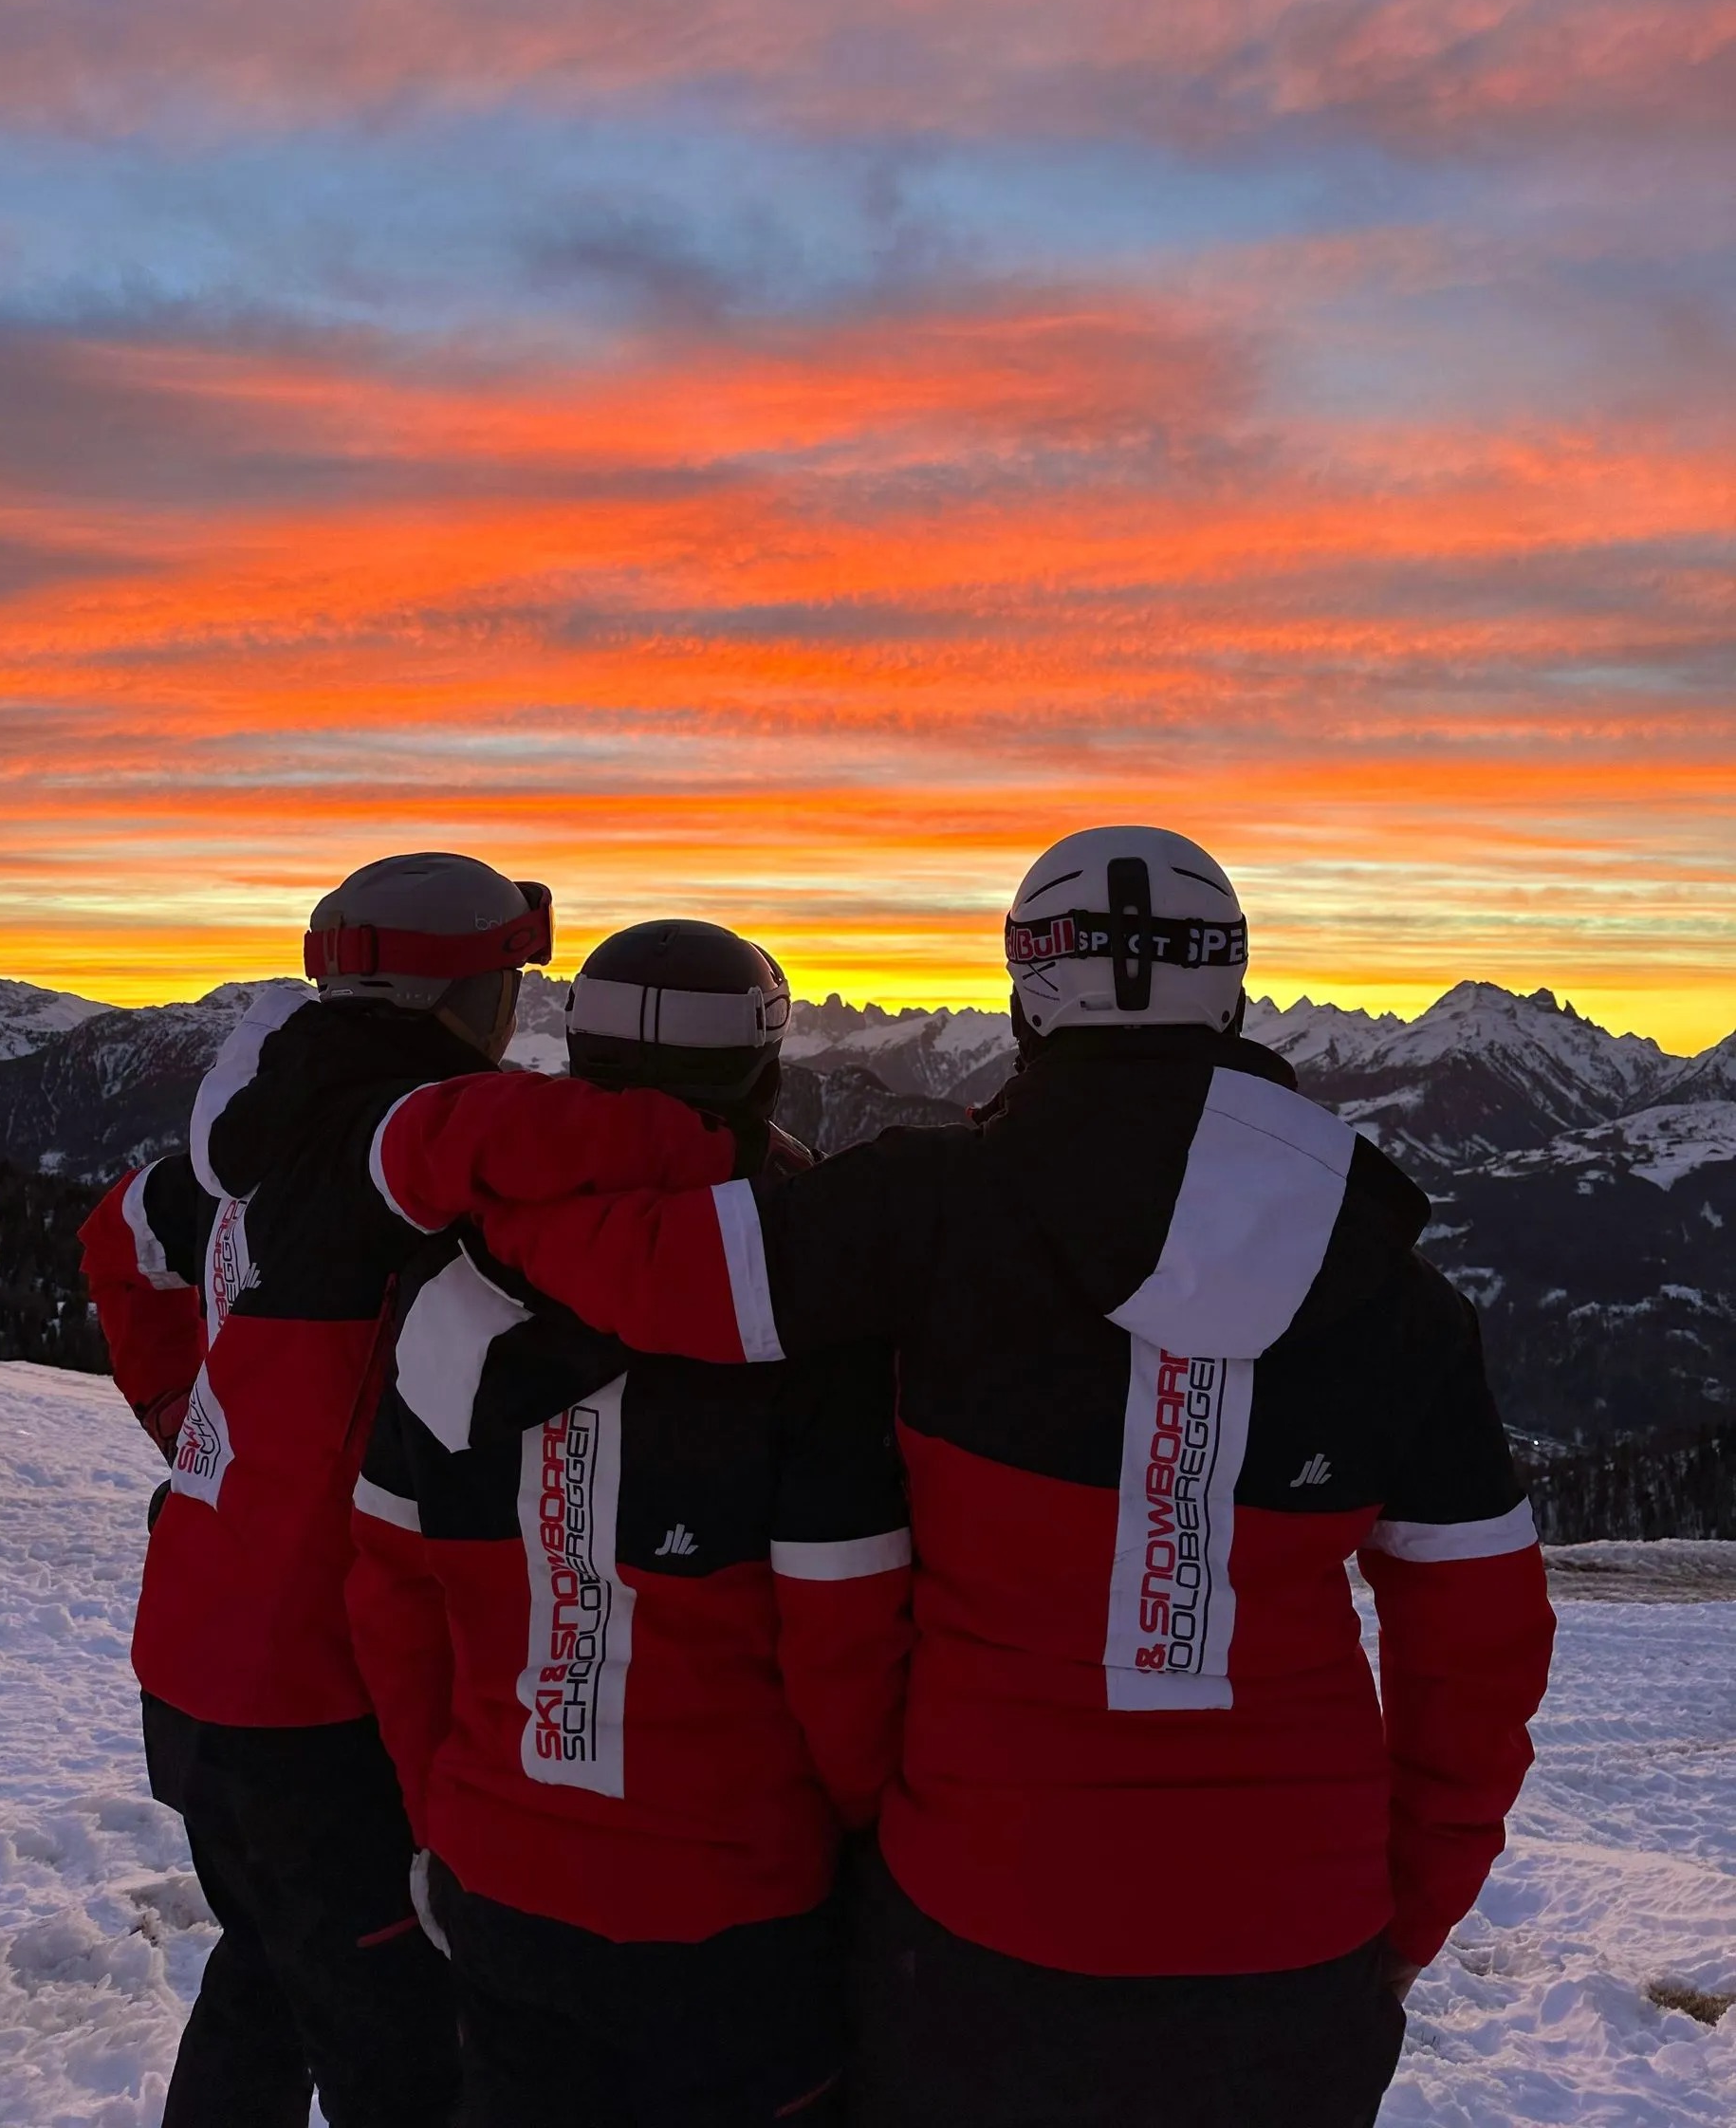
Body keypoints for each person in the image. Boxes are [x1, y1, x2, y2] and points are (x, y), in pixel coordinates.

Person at [455, 827, 1558, 2128]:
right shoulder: (1390, 1282)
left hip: (980, 1911)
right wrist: (1410, 1904)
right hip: (1290, 1936)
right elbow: (1480, 1647)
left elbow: (663, 1273)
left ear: (1027, 990)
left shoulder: (929, 1209)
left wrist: (485, 1197)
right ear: (1234, 987)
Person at [76, 853, 748, 2128]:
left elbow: (114, 1239)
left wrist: (187, 1417)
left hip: (198, 1662)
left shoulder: (247, 1138)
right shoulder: (383, 1119)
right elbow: (484, 1131)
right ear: (475, 988)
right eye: (513, 981)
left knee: (271, 1974)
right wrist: (724, 1140)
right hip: (315, 1688)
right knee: (404, 2051)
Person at [348, 920, 913, 2128]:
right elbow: (845, 1649)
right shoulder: (801, 1314)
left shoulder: (445, 1284)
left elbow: (393, 1604)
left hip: (502, 1877)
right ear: (764, 1074)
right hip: (737, 1905)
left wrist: (442, 1817)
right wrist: (867, 1844)